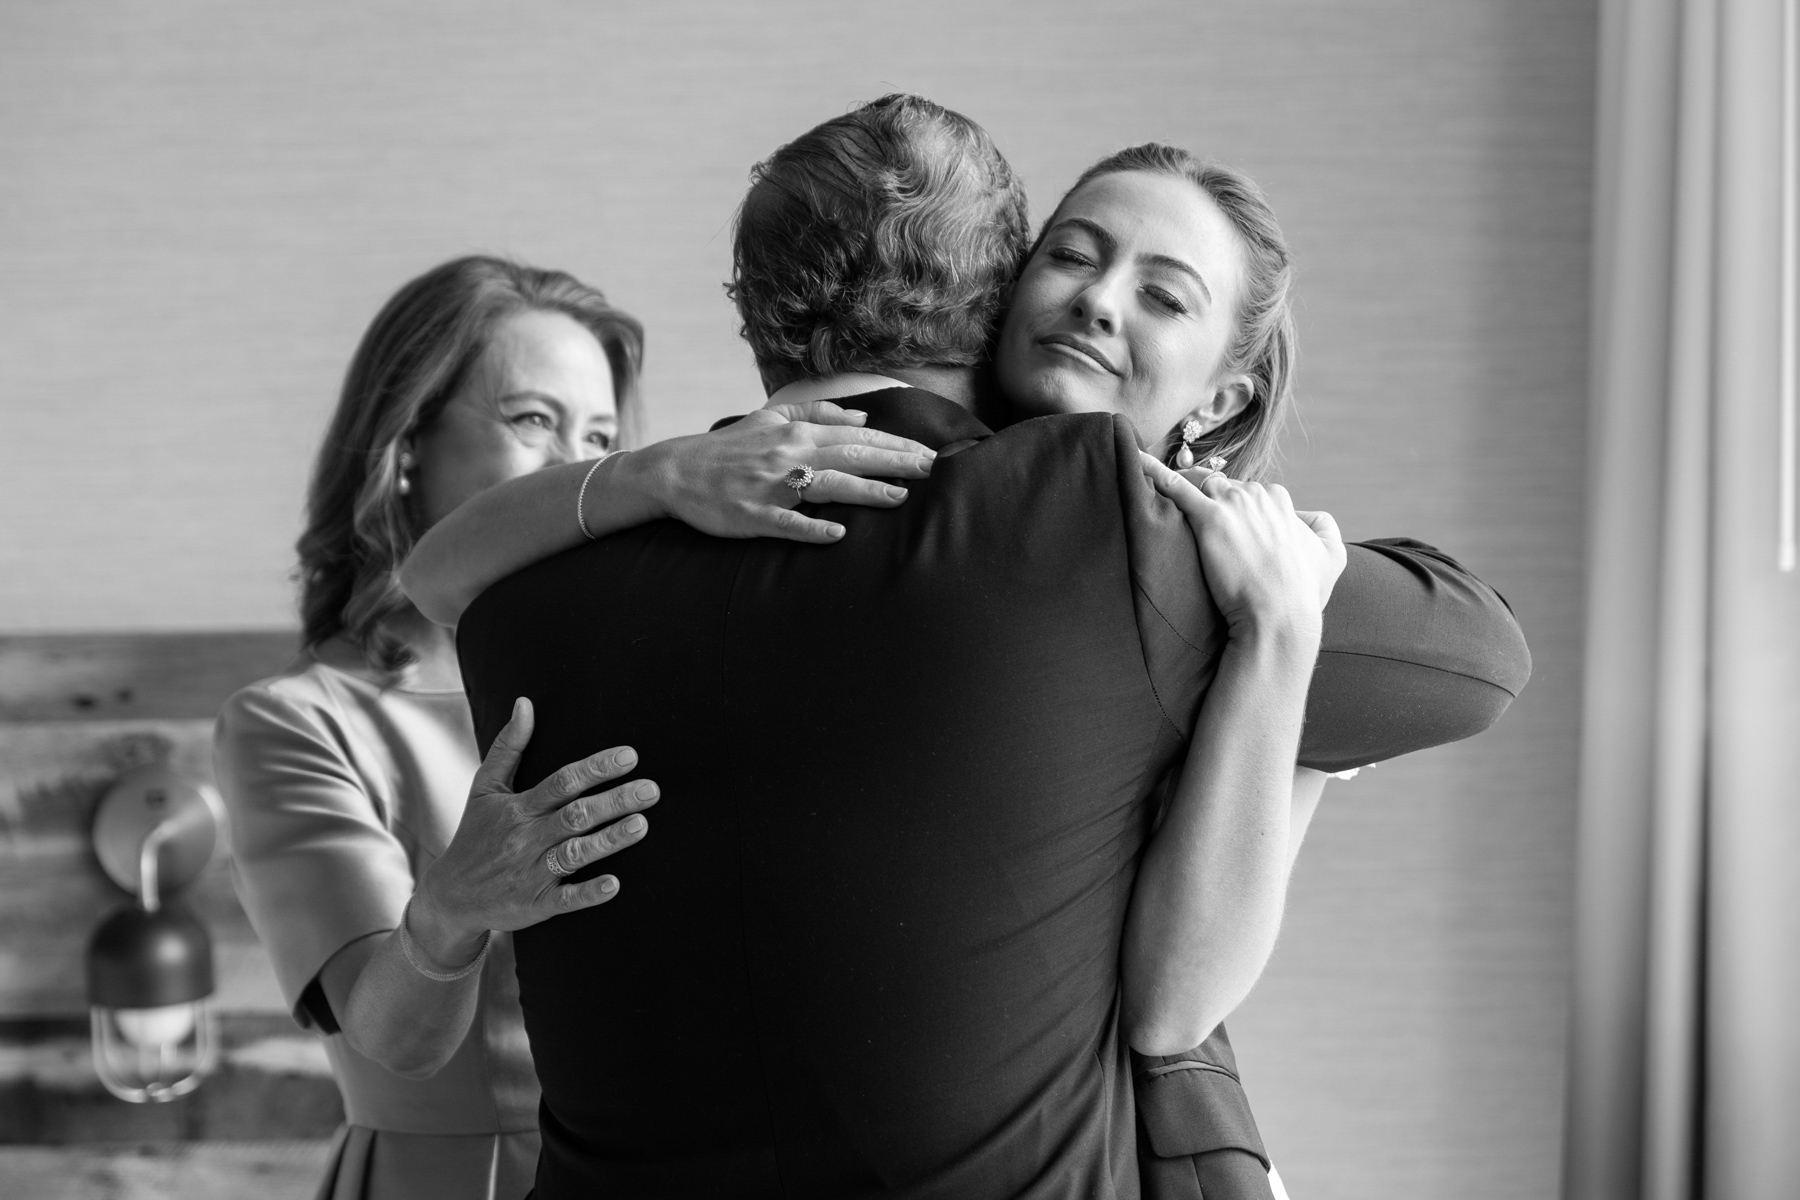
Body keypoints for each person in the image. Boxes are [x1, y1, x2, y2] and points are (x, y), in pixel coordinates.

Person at [440, 97, 1529, 1198]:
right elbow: (1474, 656)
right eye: (1073, 257)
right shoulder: (1103, 533)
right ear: (994, 295)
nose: (1098, 304)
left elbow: (436, 574)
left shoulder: (518, 595)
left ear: (751, 303)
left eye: (1162, 294)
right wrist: (1284, 644)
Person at [213, 255, 939, 1200]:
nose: (576, 466)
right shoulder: (298, 723)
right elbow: (391, 1041)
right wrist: (452, 909)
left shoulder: (634, 670)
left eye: (599, 435)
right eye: (533, 421)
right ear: (404, 447)